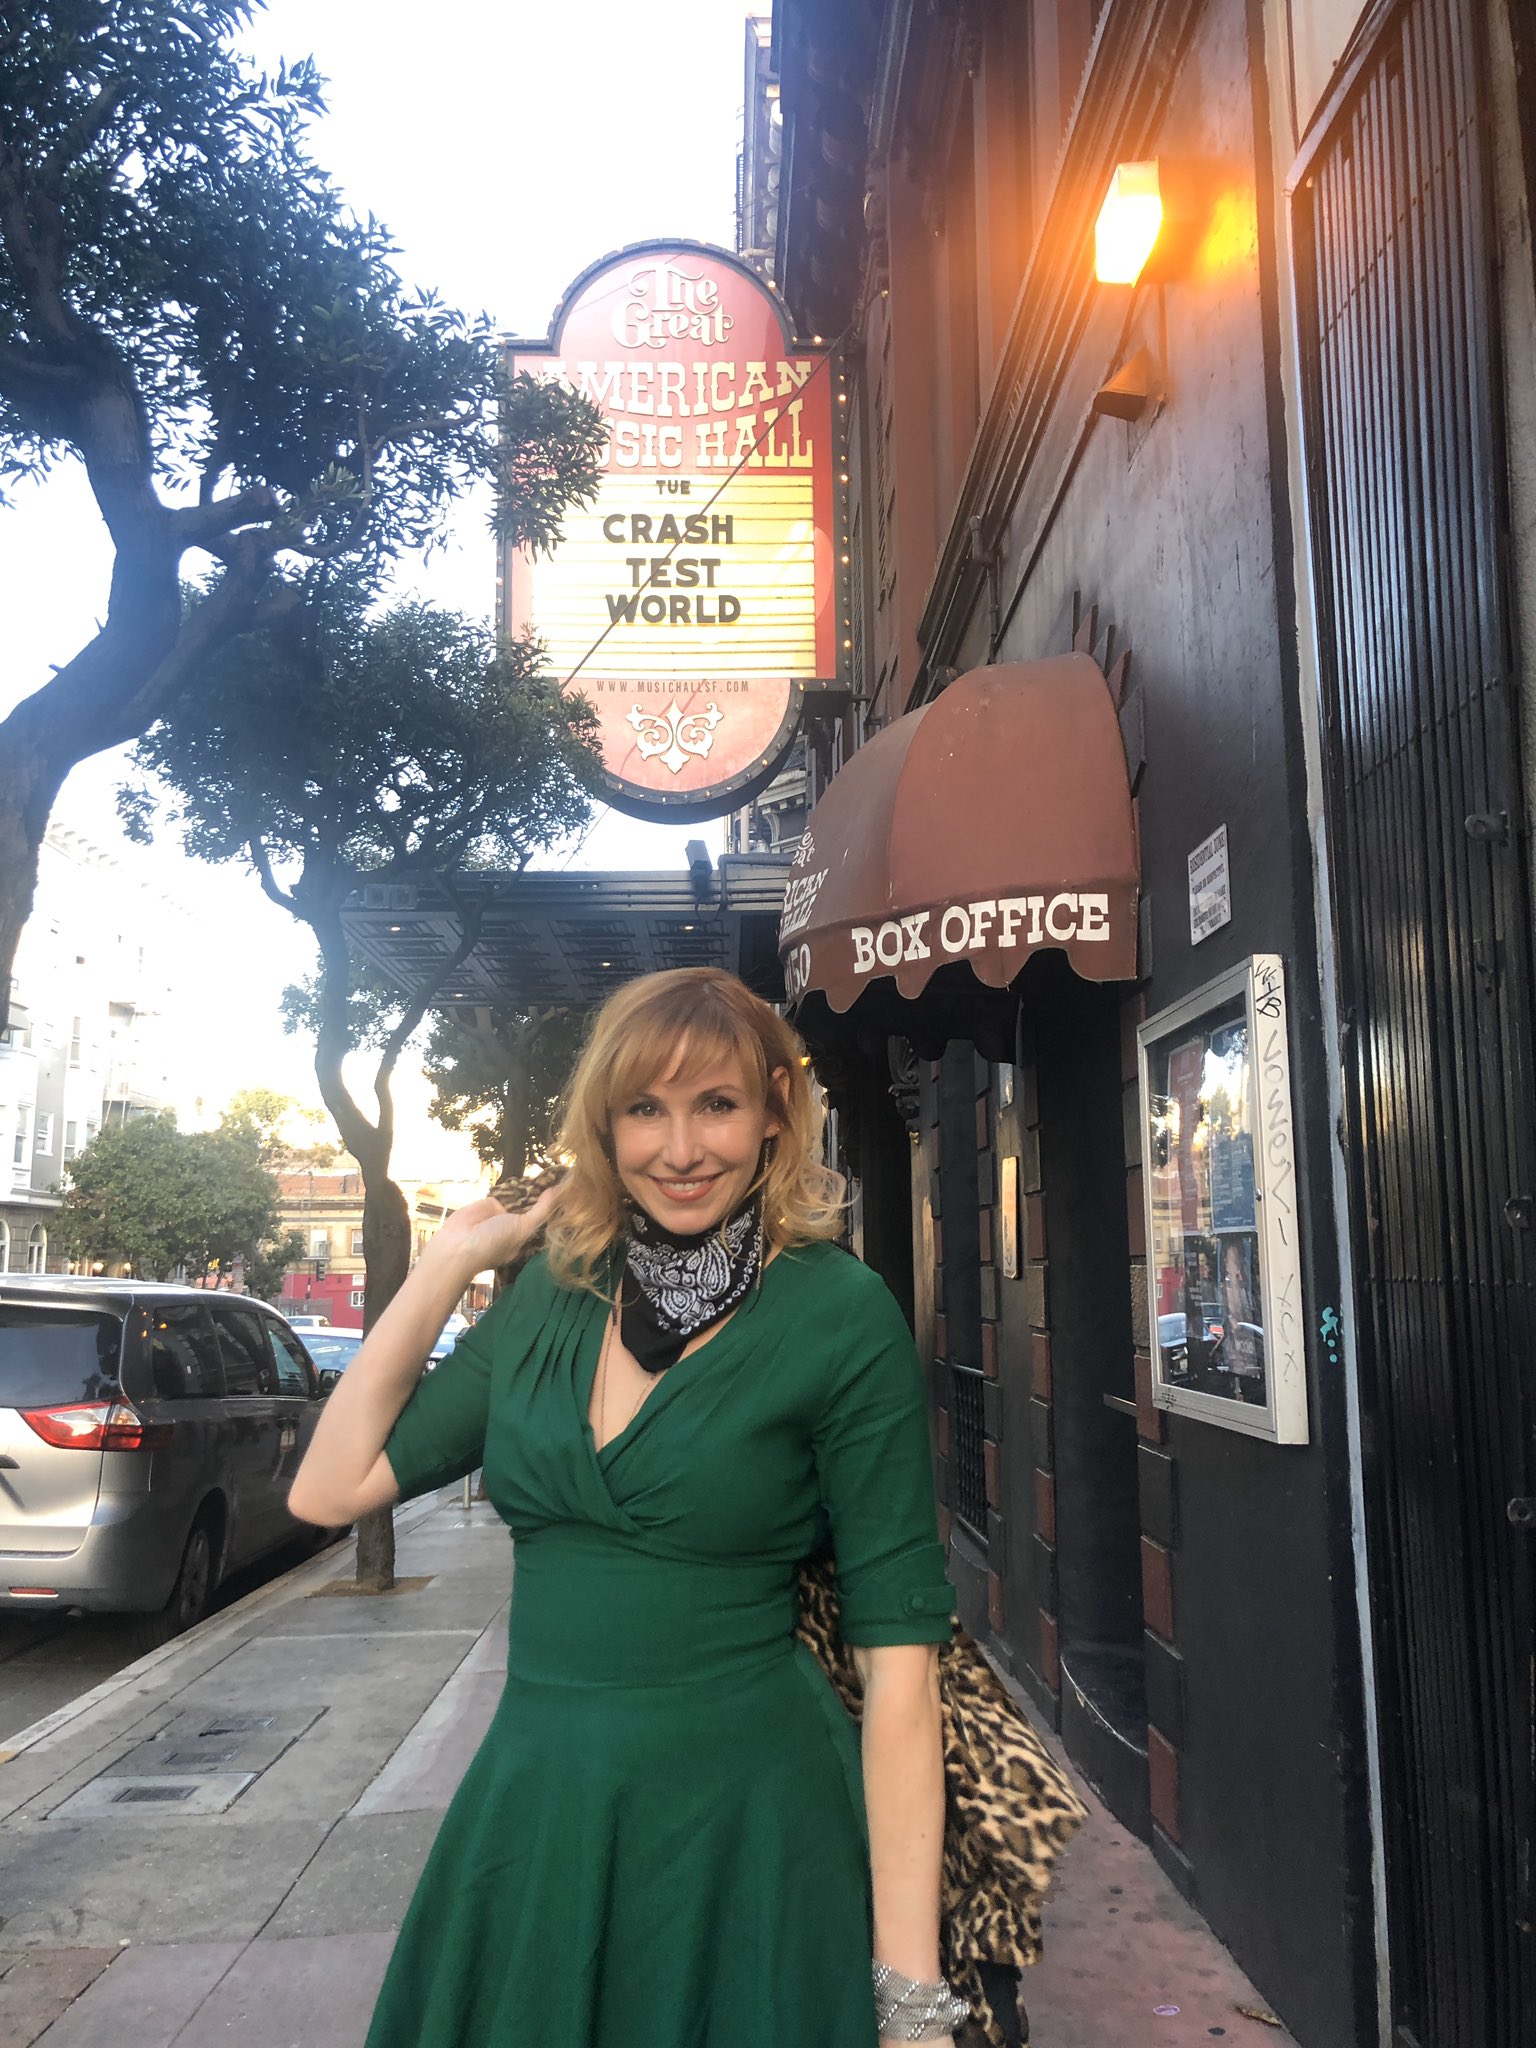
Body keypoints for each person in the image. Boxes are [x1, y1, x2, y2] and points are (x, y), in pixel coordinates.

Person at [289, 967, 964, 2048]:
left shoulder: (840, 1312)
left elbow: (901, 1667)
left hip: (752, 1824)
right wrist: (449, 1262)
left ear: (774, 1112)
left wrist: (910, 1998)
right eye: (646, 1108)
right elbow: (328, 1487)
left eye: (717, 1104)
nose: (680, 1148)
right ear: (604, 1125)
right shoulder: (551, 1299)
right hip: (541, 1811)